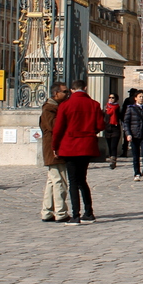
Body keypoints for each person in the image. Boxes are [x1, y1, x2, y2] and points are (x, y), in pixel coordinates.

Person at [52, 80, 105, 225]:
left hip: (70, 146)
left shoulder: (65, 105)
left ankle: (75, 215)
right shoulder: (94, 104)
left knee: (73, 181)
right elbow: (100, 125)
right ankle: (89, 213)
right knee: (83, 180)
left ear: (71, 89)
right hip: (87, 145)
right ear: (85, 88)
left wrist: (55, 146)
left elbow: (58, 129)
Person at [40, 82, 70, 223]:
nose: (67, 94)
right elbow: (54, 126)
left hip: (55, 147)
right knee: (59, 180)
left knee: (52, 181)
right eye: (64, 91)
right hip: (53, 148)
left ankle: (47, 211)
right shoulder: (49, 109)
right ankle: (60, 212)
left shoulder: (56, 108)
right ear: (56, 93)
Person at [123, 89, 143, 182]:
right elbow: (126, 122)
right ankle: (137, 173)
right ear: (136, 98)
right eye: (140, 97)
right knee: (135, 155)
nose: (141, 98)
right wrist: (128, 134)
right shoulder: (130, 108)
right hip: (134, 134)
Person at [103, 93, 121, 170]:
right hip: (107, 128)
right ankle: (111, 158)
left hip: (115, 128)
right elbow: (102, 116)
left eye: (113, 98)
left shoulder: (118, 108)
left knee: (114, 146)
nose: (111, 99)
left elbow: (121, 117)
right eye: (109, 97)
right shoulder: (106, 107)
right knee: (109, 146)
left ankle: (113, 161)